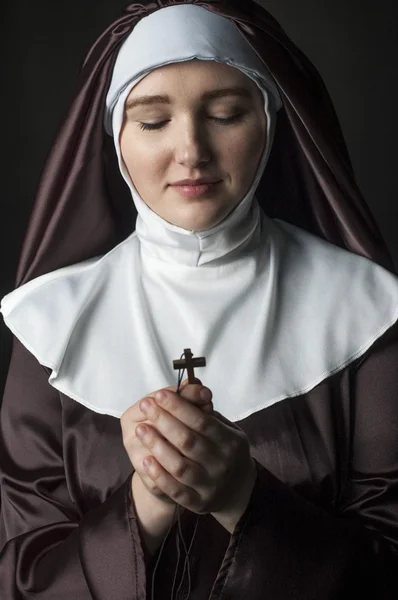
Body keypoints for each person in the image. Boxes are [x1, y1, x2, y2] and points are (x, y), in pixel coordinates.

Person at [1, 1, 397, 598]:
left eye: (226, 113)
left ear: (269, 122)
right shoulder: (53, 324)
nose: (191, 151)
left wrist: (243, 497)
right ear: (115, 138)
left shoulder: (366, 311)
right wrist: (145, 504)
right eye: (153, 121)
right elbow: (20, 576)